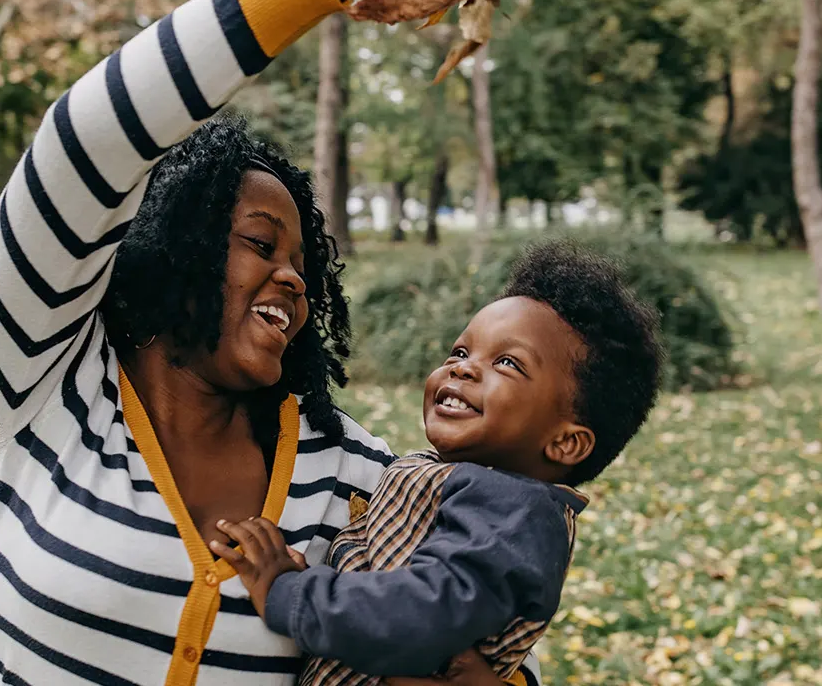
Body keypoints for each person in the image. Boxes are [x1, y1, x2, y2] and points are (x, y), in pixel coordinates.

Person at [0, 0, 576, 683]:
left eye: (306, 267)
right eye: (258, 244)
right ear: (166, 247)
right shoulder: (34, 382)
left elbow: (473, 643)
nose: (292, 281)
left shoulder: (356, 477)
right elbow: (89, 135)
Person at [212, 242, 665, 685]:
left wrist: (286, 590)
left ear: (566, 442)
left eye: (507, 363)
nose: (462, 369)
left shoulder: (518, 514)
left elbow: (417, 617)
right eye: (461, 352)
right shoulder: (471, 486)